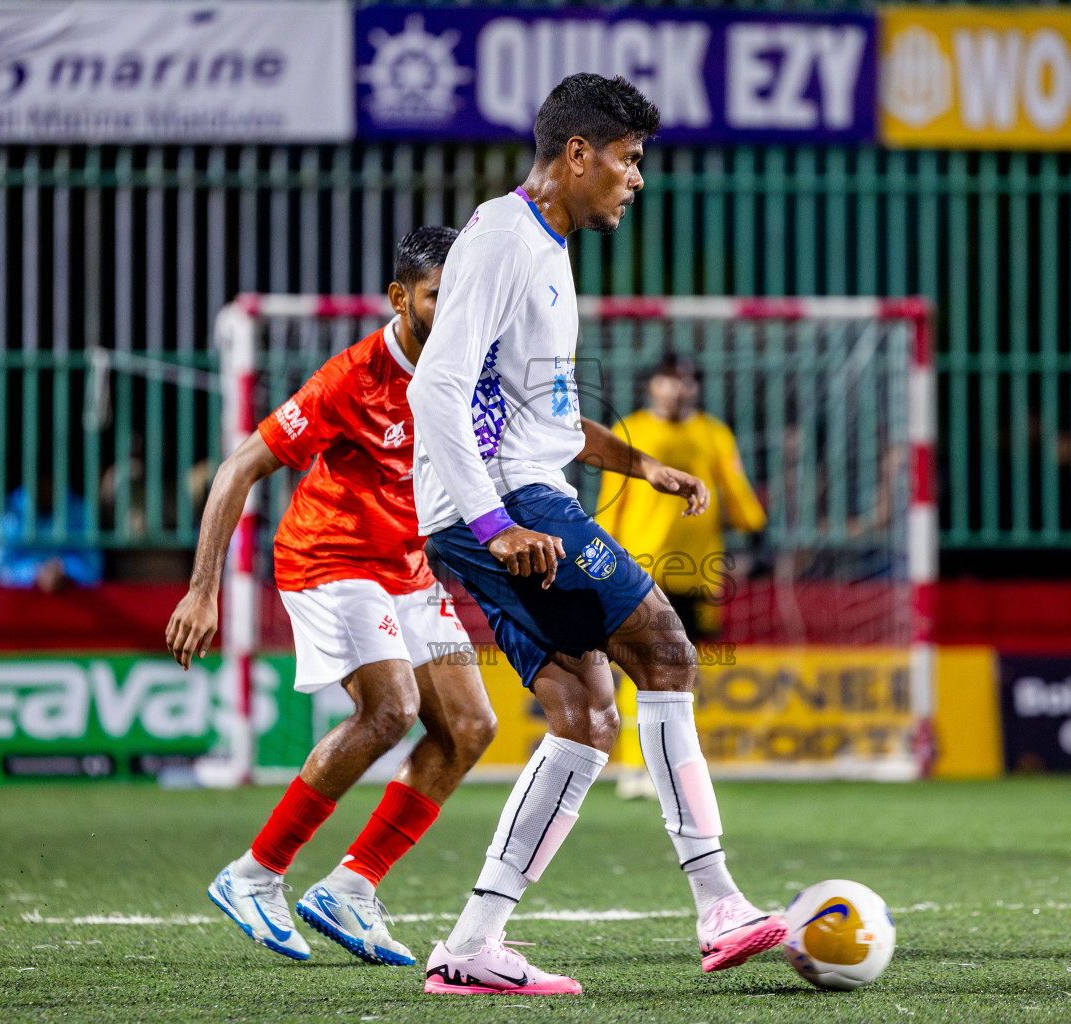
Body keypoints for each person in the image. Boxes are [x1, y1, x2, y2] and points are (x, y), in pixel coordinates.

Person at [406, 73, 786, 997]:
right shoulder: (503, 240)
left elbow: (544, 415)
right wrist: (495, 524)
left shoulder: (543, 247)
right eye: (629, 157)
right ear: (577, 154)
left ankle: (472, 945)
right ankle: (719, 903)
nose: (637, 177)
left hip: (501, 503)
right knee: (668, 651)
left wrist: (639, 464)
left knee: (586, 717)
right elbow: (434, 388)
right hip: (508, 507)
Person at [164, 226, 497, 966]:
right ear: (400, 297)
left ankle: (352, 886)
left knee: (470, 727)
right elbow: (239, 467)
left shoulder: (472, 367)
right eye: (440, 295)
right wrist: (203, 590)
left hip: (407, 567)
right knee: (391, 710)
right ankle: (255, 874)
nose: (457, 310)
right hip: (329, 557)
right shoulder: (351, 378)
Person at [595, 355, 766, 800]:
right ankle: (635, 768)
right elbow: (612, 499)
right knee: (642, 667)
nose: (676, 390)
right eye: (668, 381)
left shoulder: (714, 433)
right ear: (652, 385)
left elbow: (735, 489)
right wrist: (600, 557)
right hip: (639, 567)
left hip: (697, 571)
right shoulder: (631, 430)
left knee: (681, 672)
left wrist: (754, 526)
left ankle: (669, 766)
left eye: (685, 382)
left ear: (695, 388)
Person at [0, 472, 102, 591]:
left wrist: (66, 568)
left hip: (72, 598)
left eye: (52, 481)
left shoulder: (79, 509)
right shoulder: (10, 509)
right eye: (42, 482)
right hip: (16, 599)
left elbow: (93, 566)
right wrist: (34, 573)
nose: (47, 488)